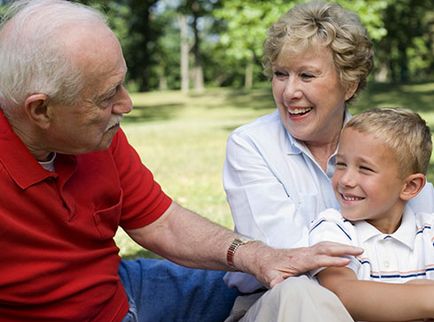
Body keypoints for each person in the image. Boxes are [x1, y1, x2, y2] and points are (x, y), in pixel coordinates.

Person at [0, 1, 364, 321]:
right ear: (41, 109)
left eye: (122, 84)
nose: (127, 105)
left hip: (120, 286)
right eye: (108, 96)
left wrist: (256, 256)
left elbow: (162, 222)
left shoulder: (96, 135)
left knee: (266, 289)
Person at [223, 1, 434, 321]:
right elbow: (293, 264)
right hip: (278, 303)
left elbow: (420, 212)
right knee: (298, 292)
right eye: (281, 74)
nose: (289, 91)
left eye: (306, 75)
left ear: (349, 84)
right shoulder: (251, 145)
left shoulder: (380, 144)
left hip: (388, 304)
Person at [309, 107, 434, 321]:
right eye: (340, 164)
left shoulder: (429, 234)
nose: (346, 180)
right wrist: (426, 297)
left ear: (410, 186)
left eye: (365, 169)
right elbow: (342, 294)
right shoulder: (334, 228)